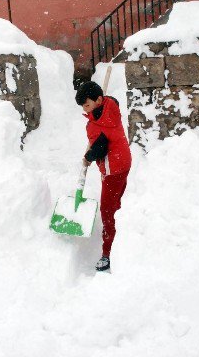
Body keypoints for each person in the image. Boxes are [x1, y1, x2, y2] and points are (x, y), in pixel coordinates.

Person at [75, 81, 132, 272]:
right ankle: (124, 229)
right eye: (83, 106)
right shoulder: (110, 107)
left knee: (107, 211)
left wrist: (87, 158)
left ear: (99, 100)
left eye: (87, 105)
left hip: (113, 168)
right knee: (115, 202)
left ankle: (107, 253)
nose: (85, 109)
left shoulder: (97, 126)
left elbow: (99, 149)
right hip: (123, 162)